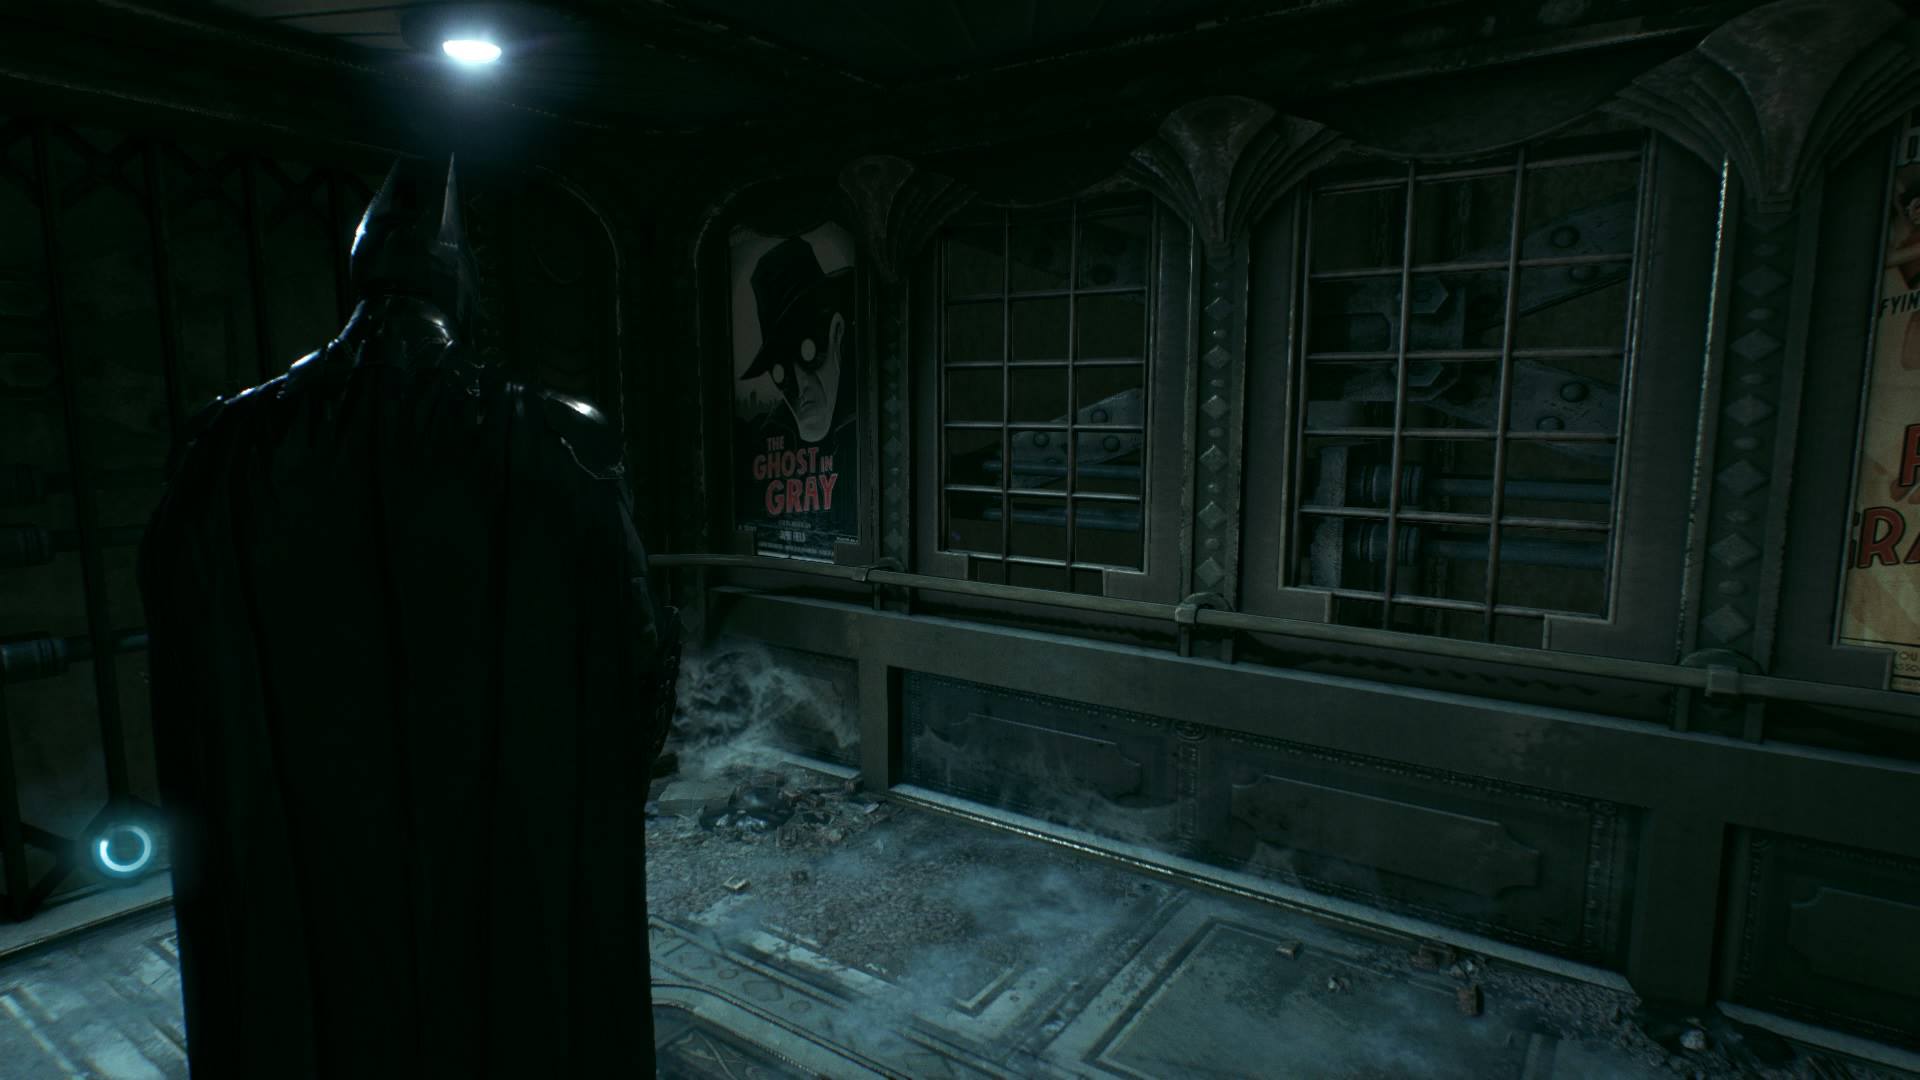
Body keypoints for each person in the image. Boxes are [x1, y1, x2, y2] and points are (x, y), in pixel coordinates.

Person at [139, 156, 680, 1077]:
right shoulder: (555, 434)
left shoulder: (224, 446)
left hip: (304, 835)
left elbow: (187, 678)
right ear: (460, 288)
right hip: (506, 824)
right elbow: (638, 663)